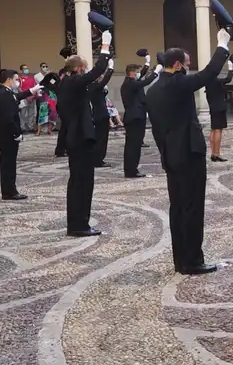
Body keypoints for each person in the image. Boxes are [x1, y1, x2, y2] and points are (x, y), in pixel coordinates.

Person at [146, 30, 233, 275]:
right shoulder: (179, 83)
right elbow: (209, 73)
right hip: (189, 153)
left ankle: (180, 260)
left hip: (169, 155)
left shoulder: (152, 90)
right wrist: (222, 45)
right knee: (193, 207)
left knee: (177, 207)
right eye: (186, 63)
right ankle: (193, 260)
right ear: (176, 64)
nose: (189, 67)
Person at [57, 32, 112, 237]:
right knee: (82, 183)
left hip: (76, 136)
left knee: (79, 182)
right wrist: (105, 46)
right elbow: (97, 70)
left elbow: (95, 82)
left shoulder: (69, 83)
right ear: (79, 69)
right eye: (84, 68)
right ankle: (79, 225)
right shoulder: (73, 82)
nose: (86, 71)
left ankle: (79, 223)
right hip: (80, 138)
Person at [0, 69, 41, 200]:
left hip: (7, 133)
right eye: (16, 79)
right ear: (9, 79)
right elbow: (8, 116)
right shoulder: (3, 93)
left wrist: (32, 90)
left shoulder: (6, 92)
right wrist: (16, 133)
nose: (17, 82)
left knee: (9, 163)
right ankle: (9, 191)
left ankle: (10, 189)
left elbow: (16, 97)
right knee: (8, 163)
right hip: (8, 133)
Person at [120, 60, 160, 178]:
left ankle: (132, 169)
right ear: (132, 73)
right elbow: (146, 82)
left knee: (135, 145)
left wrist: (147, 63)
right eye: (137, 72)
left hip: (136, 116)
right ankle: (131, 170)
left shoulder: (131, 82)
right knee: (133, 145)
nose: (139, 74)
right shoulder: (130, 84)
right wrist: (156, 72)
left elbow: (142, 77)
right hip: (134, 118)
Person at [205, 63, 233, 163]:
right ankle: (216, 154)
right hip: (219, 108)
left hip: (213, 108)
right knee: (218, 130)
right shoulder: (215, 80)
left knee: (213, 130)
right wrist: (231, 68)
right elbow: (228, 79)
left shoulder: (208, 81)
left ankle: (213, 153)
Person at [89, 60, 114, 167]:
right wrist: (111, 68)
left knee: (103, 138)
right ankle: (97, 159)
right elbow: (105, 80)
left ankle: (99, 158)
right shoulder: (93, 86)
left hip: (101, 113)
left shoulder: (95, 86)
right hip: (99, 114)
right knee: (100, 139)